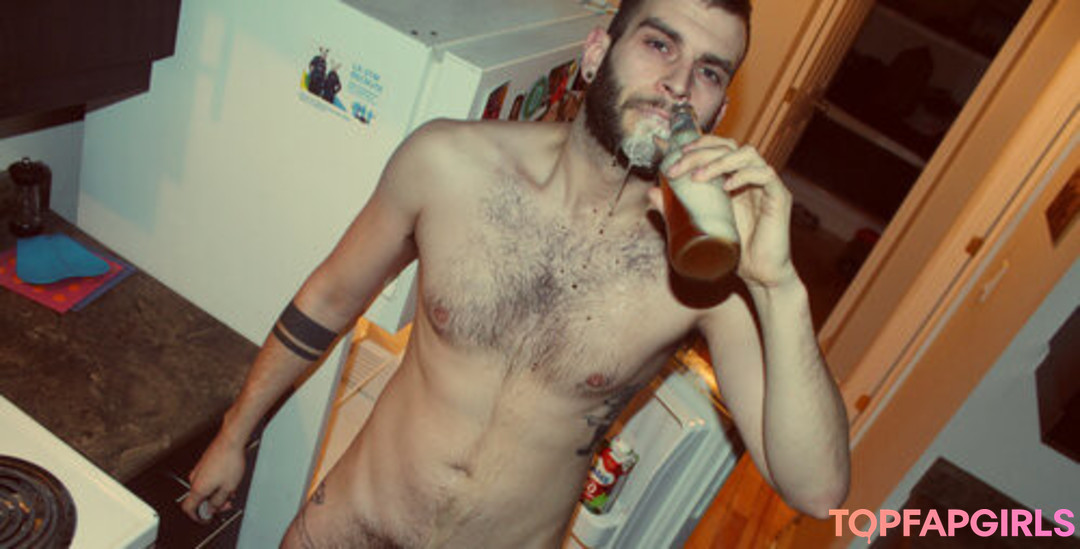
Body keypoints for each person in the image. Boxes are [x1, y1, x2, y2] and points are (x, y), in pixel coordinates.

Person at [181, 0, 851, 546]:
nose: (679, 83)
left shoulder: (703, 271)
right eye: (659, 44)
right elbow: (328, 298)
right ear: (596, 53)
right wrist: (234, 434)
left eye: (709, 71)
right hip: (346, 533)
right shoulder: (448, 163)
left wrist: (780, 287)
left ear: (718, 112)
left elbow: (818, 491)